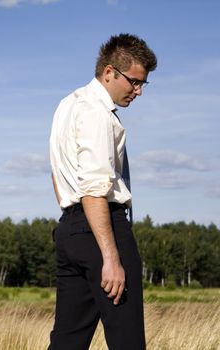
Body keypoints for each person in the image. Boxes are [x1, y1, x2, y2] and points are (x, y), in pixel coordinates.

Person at [47, 33, 157, 350]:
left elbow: (58, 174)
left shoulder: (66, 105)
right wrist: (111, 257)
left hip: (70, 229)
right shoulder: (97, 113)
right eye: (133, 82)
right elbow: (95, 187)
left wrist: (75, 223)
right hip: (103, 227)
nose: (137, 91)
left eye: (142, 84)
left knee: (67, 340)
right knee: (127, 339)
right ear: (109, 72)